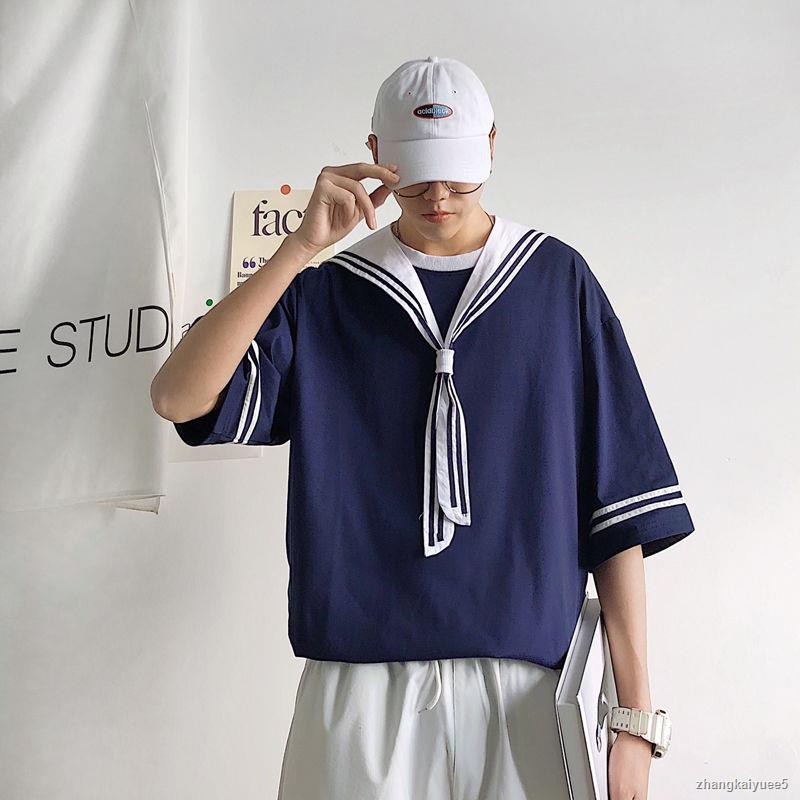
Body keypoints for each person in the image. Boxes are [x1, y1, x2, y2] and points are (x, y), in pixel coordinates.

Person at [151, 56, 694, 800]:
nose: (437, 195)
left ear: (492, 145)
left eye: (457, 175)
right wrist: (299, 249)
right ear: (375, 155)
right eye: (414, 175)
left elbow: (617, 509)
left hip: (526, 695)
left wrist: (633, 719)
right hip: (357, 693)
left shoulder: (555, 282)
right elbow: (178, 397)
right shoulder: (327, 296)